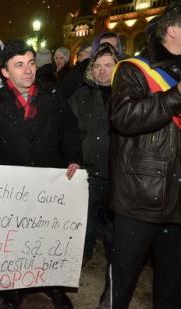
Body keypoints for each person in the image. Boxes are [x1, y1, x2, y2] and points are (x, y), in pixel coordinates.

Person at [0, 39, 82, 309]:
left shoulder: (52, 95)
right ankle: (14, 288)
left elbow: (69, 131)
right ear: (5, 72)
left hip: (49, 184)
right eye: (19, 65)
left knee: (48, 239)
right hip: (15, 187)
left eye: (31, 62)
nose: (28, 70)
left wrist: (74, 158)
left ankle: (53, 285)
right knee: (17, 241)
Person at [99, 3, 181, 308]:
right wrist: (175, 96)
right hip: (139, 198)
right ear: (172, 30)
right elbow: (123, 117)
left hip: (177, 200)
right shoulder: (135, 68)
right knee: (120, 282)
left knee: (171, 287)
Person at [68, 43, 121, 266]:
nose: (102, 70)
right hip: (87, 171)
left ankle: (114, 262)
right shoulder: (81, 95)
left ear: (118, 66)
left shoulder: (129, 94)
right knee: (84, 219)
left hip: (118, 173)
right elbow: (68, 132)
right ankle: (82, 255)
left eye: (108, 65)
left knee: (114, 224)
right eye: (97, 65)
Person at [62, 32, 124, 101]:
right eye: (105, 47)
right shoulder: (82, 86)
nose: (112, 51)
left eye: (115, 46)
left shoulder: (129, 83)